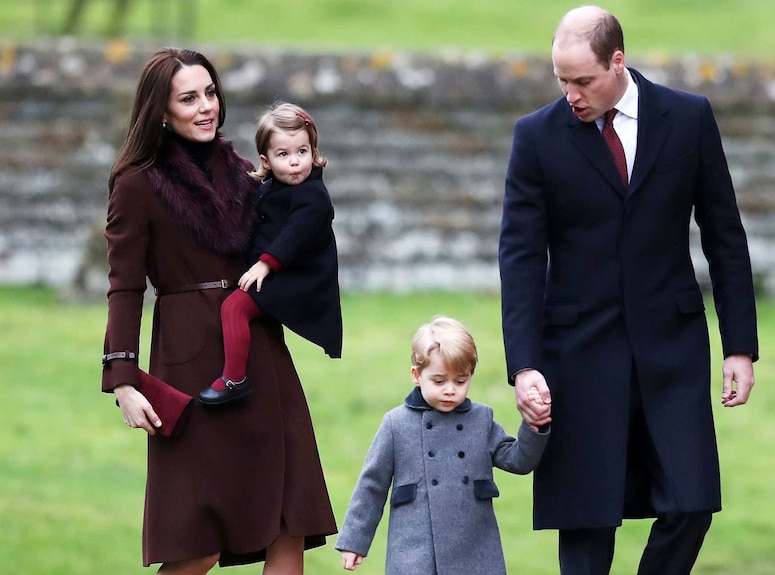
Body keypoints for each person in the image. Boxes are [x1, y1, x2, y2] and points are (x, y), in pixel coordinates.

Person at [498, 6, 759, 575]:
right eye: (561, 80)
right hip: (577, 355)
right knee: (588, 522)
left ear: (618, 62)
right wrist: (524, 365)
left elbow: (724, 235)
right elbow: (519, 258)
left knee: (692, 503)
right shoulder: (536, 137)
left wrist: (739, 344)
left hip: (672, 348)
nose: (571, 93)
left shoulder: (688, 118)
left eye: (582, 80)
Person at [102, 48, 337, 574]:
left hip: (259, 351)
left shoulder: (243, 170)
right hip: (189, 366)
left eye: (210, 93)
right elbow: (124, 286)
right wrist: (122, 380)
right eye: (189, 98)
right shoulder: (136, 184)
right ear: (161, 111)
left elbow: (302, 222)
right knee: (198, 542)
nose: (206, 106)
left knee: (287, 524)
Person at [335, 316, 550, 575]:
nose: (450, 390)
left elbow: (518, 461)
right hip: (415, 552)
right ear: (417, 375)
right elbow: (371, 486)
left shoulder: (482, 420)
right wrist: (354, 542)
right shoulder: (396, 424)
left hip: (475, 550)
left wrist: (533, 426)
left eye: (460, 381)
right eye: (439, 381)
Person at [199, 103, 342, 405]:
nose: (294, 163)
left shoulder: (313, 196)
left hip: (297, 278)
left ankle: (234, 379)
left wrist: (265, 264)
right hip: (279, 272)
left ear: (313, 152)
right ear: (266, 160)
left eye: (302, 152)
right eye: (283, 155)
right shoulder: (270, 188)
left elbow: (295, 234)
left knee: (234, 308)